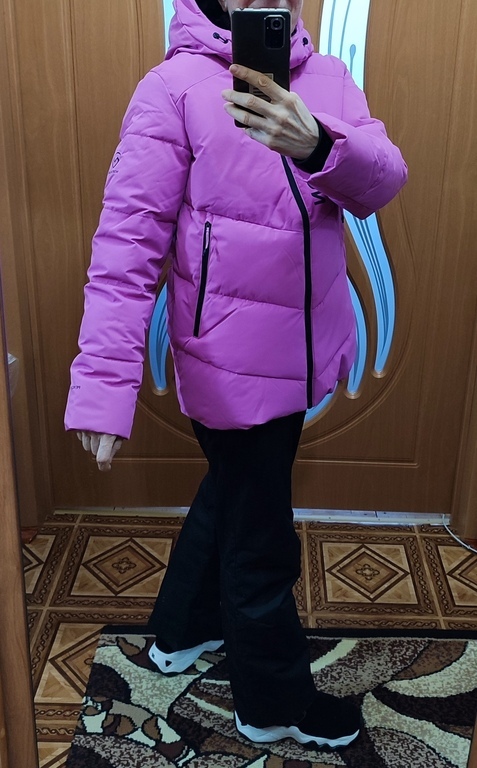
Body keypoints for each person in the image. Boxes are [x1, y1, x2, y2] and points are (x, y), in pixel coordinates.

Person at [65, 0, 408, 752]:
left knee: (233, 494)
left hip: (307, 349)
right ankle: (273, 703)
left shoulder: (329, 77)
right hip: (227, 362)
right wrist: (104, 384)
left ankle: (180, 631)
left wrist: (320, 145)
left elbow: (383, 183)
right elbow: (127, 245)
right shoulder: (173, 88)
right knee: (261, 545)